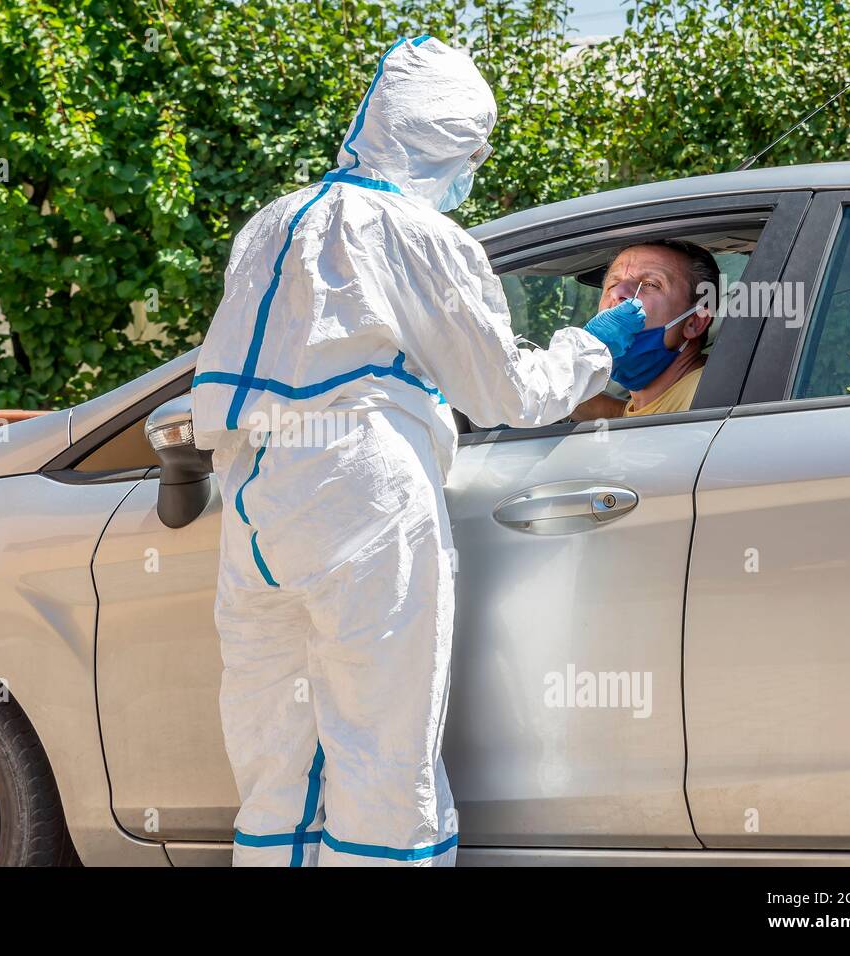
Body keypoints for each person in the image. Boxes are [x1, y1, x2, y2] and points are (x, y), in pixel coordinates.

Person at [191, 35, 641, 866]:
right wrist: (597, 346)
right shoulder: (420, 234)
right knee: (382, 742)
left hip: (255, 495)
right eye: (473, 151)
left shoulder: (272, 222)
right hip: (363, 489)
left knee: (276, 750)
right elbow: (506, 393)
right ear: (446, 139)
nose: (473, 170)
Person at [573, 241, 719, 420]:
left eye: (650, 284)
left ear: (694, 323)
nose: (617, 292)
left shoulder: (710, 398)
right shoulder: (657, 403)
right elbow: (620, 415)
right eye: (612, 284)